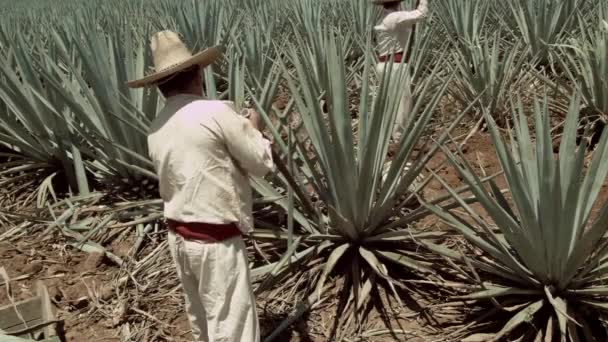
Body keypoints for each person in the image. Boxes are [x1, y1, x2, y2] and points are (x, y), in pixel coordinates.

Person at [127, 30, 273, 342]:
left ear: (160, 86)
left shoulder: (156, 127)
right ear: (197, 72)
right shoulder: (216, 111)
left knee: (203, 324)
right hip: (215, 243)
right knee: (233, 330)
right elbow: (260, 163)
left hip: (179, 240)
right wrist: (254, 128)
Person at [373, 0, 428, 141]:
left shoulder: (385, 17)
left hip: (385, 65)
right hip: (395, 67)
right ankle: (399, 138)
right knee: (402, 102)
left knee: (390, 100)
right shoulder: (395, 17)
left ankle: (387, 134)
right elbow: (421, 14)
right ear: (397, 3)